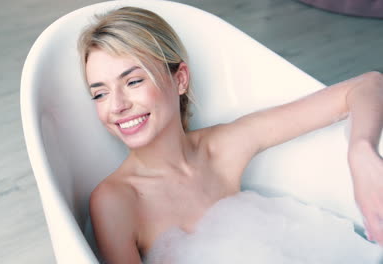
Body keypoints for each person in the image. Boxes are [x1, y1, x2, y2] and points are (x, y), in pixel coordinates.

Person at [77, 6, 383, 264]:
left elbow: (368, 85)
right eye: (100, 94)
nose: (117, 106)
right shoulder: (116, 201)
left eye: (132, 82)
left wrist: (361, 151)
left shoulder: (224, 148)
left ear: (180, 79)